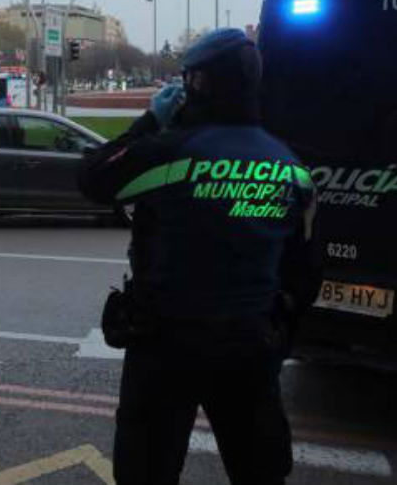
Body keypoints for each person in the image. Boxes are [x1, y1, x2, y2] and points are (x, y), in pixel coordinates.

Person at [77, 28, 320, 485]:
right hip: (249, 345)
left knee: (147, 470)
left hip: (167, 344)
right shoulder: (289, 165)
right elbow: (305, 269)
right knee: (259, 471)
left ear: (200, 85)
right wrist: (274, 331)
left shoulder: (172, 153)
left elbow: (94, 177)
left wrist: (150, 121)